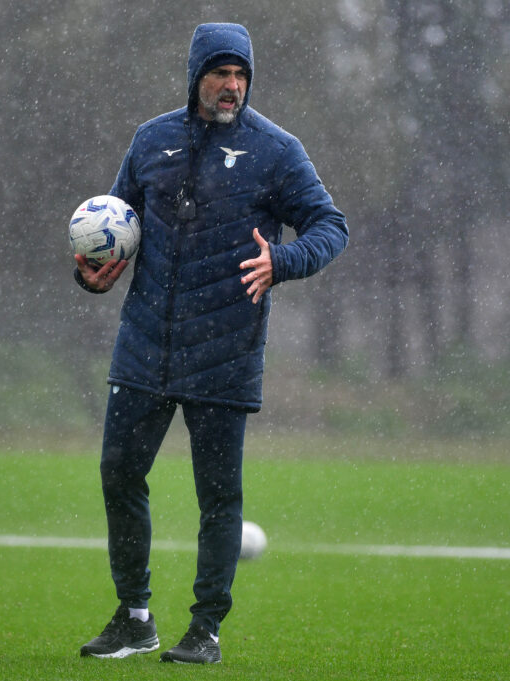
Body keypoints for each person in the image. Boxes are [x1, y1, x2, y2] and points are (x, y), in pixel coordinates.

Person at [75, 23, 348, 663]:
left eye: (241, 75)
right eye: (221, 73)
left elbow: (330, 227)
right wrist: (91, 274)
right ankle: (134, 616)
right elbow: (113, 225)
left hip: (226, 351)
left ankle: (205, 630)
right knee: (119, 475)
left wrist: (282, 261)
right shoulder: (152, 140)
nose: (232, 86)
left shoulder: (276, 151)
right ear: (196, 75)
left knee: (218, 497)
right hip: (145, 346)